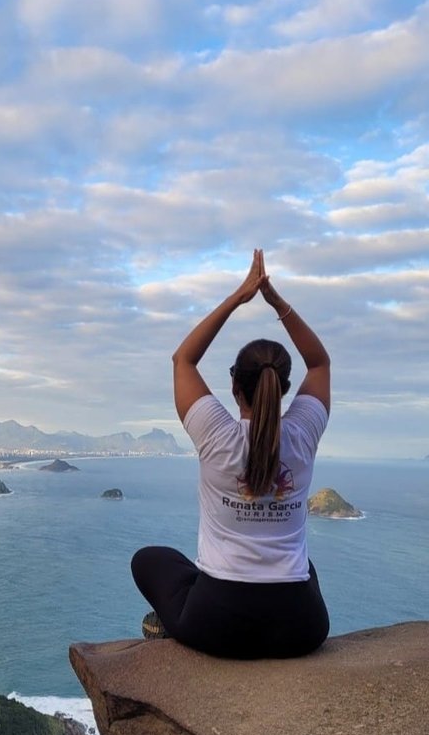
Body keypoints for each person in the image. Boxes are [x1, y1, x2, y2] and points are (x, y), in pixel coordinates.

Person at [131, 249, 330, 659]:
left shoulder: (217, 434)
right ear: (284, 388)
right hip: (302, 627)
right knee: (304, 566)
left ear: (235, 387)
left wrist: (239, 297)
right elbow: (319, 363)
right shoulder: (303, 433)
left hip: (217, 626)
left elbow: (183, 359)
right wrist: (276, 302)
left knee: (149, 560)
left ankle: (173, 620)